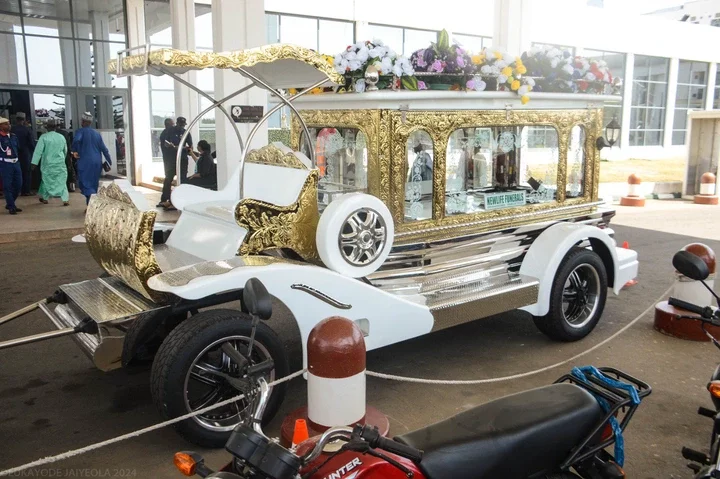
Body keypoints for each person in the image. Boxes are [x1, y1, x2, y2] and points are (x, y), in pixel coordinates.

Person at [71, 112, 111, 205]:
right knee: (93, 183)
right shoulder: (97, 134)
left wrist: (74, 151)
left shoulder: (80, 132)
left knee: (85, 184)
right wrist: (109, 161)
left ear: (83, 121)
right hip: (97, 163)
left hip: (85, 163)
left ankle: (90, 206)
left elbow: (77, 140)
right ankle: (90, 204)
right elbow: (104, 149)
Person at [31, 119, 69, 206]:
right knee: (62, 181)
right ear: (56, 127)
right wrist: (63, 159)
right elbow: (65, 150)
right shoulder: (61, 137)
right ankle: (65, 199)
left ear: (47, 127)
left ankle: (45, 198)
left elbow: (38, 151)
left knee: (46, 180)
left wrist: (34, 163)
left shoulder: (43, 137)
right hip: (59, 163)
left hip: (47, 164)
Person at [159, 116, 192, 209]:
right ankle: (165, 199)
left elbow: (190, 146)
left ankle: (181, 199)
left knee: (182, 179)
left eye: (183, 125)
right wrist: (172, 147)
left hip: (183, 159)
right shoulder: (168, 131)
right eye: (180, 124)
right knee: (168, 179)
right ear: (176, 123)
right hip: (171, 160)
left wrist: (184, 148)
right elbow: (165, 144)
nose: (181, 127)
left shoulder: (186, 132)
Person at [0, 117, 23, 214]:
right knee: (7, 185)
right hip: (5, 163)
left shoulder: (13, 136)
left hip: (16, 163)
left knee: (18, 184)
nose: (8, 125)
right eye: (5, 124)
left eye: (9, 123)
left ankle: (10, 203)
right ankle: (11, 206)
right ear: (0, 126)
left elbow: (18, 148)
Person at [11, 112, 35, 196]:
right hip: (25, 154)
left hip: (14, 153)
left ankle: (16, 190)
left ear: (16, 119)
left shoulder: (12, 129)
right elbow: (31, 143)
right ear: (24, 120)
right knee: (26, 172)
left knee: (15, 172)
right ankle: (26, 191)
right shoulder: (27, 129)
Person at [158, 117, 175, 206]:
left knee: (168, 179)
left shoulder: (166, 133)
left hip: (168, 160)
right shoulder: (166, 134)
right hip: (169, 161)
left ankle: (166, 197)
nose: (174, 126)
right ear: (168, 125)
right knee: (168, 179)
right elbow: (168, 146)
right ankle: (165, 198)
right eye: (173, 124)